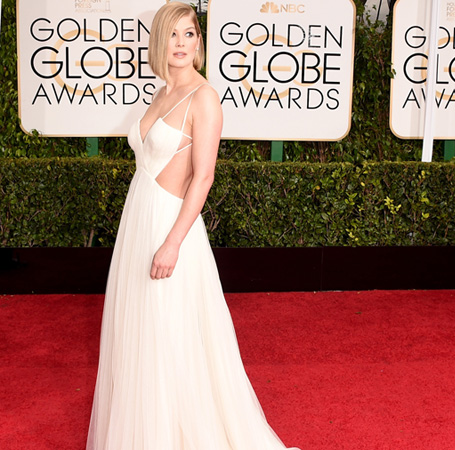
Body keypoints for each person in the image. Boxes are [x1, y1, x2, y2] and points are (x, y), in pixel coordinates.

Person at [85, 4, 300, 450]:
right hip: (138, 223)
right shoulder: (162, 92)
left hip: (170, 229)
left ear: (199, 42)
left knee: (172, 341)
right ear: (159, 42)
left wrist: (173, 243)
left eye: (189, 34)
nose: (181, 44)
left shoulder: (204, 98)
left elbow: (203, 177)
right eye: (173, 35)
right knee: (142, 340)